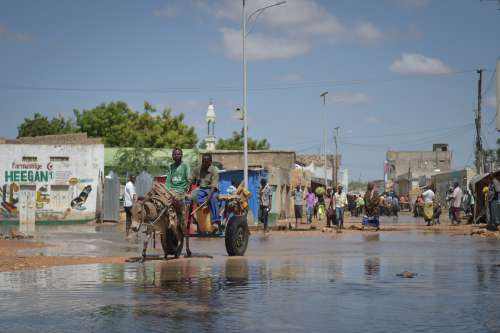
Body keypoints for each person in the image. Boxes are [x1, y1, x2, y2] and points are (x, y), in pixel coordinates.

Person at [192, 153, 220, 229]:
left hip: (212, 190)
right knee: (192, 196)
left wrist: (208, 197)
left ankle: (215, 221)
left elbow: (213, 186)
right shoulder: (197, 169)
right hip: (201, 189)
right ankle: (196, 216)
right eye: (203, 161)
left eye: (207, 162)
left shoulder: (214, 170)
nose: (204, 163)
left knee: (213, 198)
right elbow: (191, 180)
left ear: (210, 162)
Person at [165, 147, 190, 227]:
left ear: (181, 155)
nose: (176, 156)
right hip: (171, 190)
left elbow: (188, 179)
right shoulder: (171, 167)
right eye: (175, 154)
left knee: (177, 201)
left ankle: (181, 220)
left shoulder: (185, 166)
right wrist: (167, 190)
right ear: (172, 156)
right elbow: (168, 180)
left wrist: (185, 189)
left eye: (178, 154)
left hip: (181, 190)